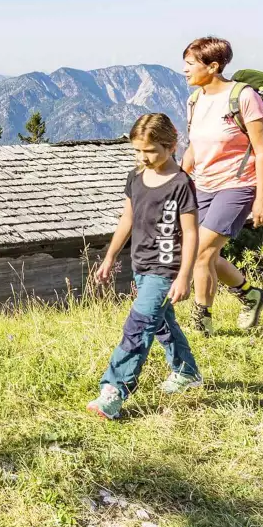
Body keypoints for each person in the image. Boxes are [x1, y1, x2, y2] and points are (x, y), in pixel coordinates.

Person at [88, 114, 204, 419]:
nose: (143, 157)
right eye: (138, 150)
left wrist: (184, 276)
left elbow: (191, 233)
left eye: (150, 151)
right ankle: (187, 371)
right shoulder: (135, 177)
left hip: (166, 270)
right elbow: (126, 219)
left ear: (171, 145)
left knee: (138, 327)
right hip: (140, 264)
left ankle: (114, 390)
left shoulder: (181, 184)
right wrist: (111, 256)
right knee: (162, 323)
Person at [179, 36, 263, 335]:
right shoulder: (195, 100)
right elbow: (194, 147)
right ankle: (250, 294)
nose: (185, 70)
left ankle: (201, 319)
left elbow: (262, 150)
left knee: (201, 252)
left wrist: (262, 198)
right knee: (203, 252)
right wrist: (179, 181)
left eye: (190, 64)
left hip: (238, 185)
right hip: (203, 185)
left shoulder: (243, 97)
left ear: (213, 66)